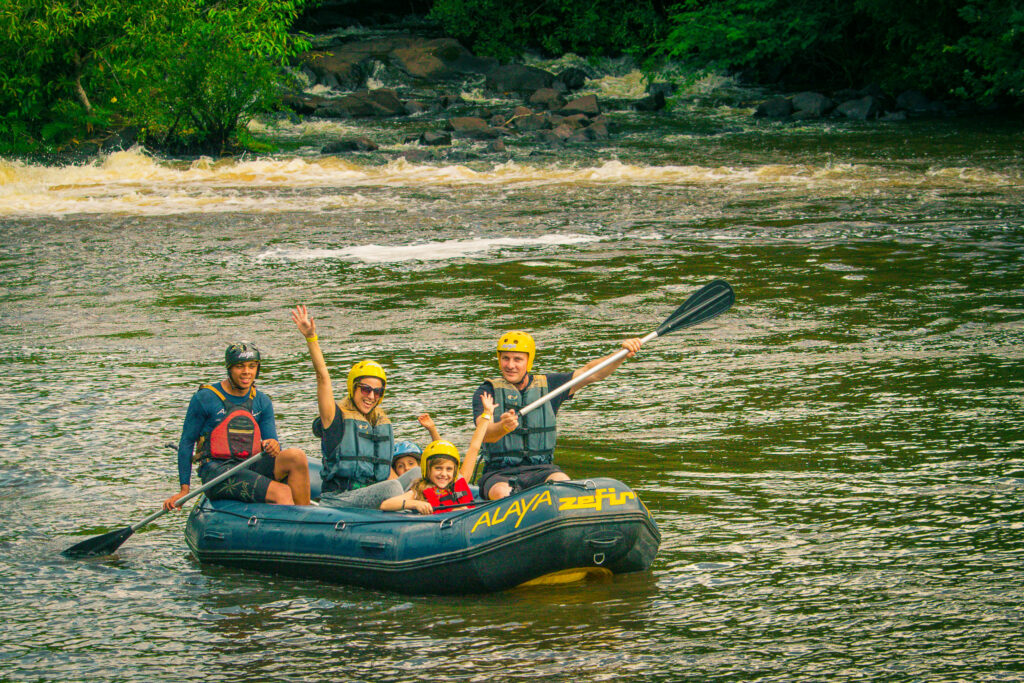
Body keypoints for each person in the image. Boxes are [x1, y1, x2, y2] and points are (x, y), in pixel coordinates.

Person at [472, 330, 642, 500]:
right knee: (502, 493)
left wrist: (621, 354)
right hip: (499, 473)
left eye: (517, 359)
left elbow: (592, 372)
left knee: (564, 483)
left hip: (542, 469)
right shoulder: (487, 391)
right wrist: (501, 427)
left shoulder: (550, 386)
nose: (510, 365)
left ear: (528, 361)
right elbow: (484, 434)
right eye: (505, 358)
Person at [291, 305, 420, 508]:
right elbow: (322, 378)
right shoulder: (335, 417)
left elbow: (386, 472)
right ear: (353, 388)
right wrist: (311, 338)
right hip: (340, 499)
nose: (371, 396)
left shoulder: (380, 422)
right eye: (365, 389)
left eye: (377, 392)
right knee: (393, 489)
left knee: (420, 473)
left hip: (374, 493)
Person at [163, 342, 311, 510]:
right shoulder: (205, 398)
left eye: (252, 366)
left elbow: (272, 442)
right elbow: (187, 442)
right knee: (282, 492)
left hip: (249, 464)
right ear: (229, 369)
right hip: (217, 471)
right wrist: (184, 490)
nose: (246, 372)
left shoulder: (262, 401)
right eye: (240, 366)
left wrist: (273, 445)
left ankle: (306, 520)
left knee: (296, 456)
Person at [382, 392, 496, 514]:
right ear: (427, 469)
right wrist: (414, 503)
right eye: (438, 468)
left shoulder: (459, 480)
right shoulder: (419, 491)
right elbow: (385, 504)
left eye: (448, 469)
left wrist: (487, 414)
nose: (444, 474)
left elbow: (475, 446)